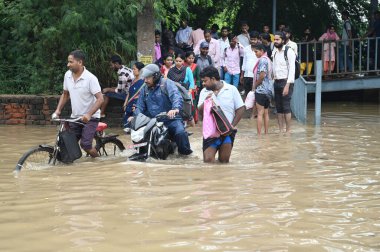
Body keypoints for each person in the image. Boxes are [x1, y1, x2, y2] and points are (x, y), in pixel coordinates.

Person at [132, 64, 193, 155]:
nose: (145, 81)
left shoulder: (166, 83)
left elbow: (176, 97)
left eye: (148, 78)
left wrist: (175, 109)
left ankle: (186, 155)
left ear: (156, 76)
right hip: (152, 121)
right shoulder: (145, 89)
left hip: (171, 119)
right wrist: (135, 117)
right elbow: (140, 106)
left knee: (180, 133)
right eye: (145, 78)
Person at [53, 50, 104, 157]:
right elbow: (65, 94)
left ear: (80, 62)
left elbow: (100, 99)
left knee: (85, 145)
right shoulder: (67, 75)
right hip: (75, 117)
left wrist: (89, 114)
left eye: (71, 62)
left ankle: (99, 162)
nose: (68, 65)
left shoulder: (90, 78)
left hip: (91, 118)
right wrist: (57, 111)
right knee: (67, 143)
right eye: (68, 62)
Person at [198, 66, 245, 163]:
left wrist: (232, 125)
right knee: (208, 161)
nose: (203, 83)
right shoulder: (204, 92)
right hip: (210, 133)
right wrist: (206, 100)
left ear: (213, 79)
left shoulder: (231, 89)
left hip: (227, 132)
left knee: (224, 162)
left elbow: (241, 108)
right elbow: (199, 110)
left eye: (205, 81)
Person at [272, 31, 296, 133]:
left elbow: (292, 69)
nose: (275, 41)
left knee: (286, 106)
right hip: (276, 81)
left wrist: (287, 85)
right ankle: (281, 130)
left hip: (286, 82)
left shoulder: (289, 51)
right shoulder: (275, 51)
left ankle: (288, 131)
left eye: (277, 39)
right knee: (279, 107)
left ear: (282, 40)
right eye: (274, 40)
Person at [252, 44, 273, 135]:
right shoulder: (268, 60)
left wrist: (255, 86)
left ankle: (259, 135)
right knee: (266, 113)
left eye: (256, 52)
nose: (255, 54)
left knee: (260, 113)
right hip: (268, 90)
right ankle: (266, 133)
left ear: (261, 50)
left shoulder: (262, 60)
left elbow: (261, 76)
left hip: (261, 90)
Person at [122, 62, 145, 132]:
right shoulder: (133, 80)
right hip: (130, 102)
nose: (133, 71)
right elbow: (129, 93)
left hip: (136, 103)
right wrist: (125, 103)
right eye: (133, 69)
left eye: (134, 69)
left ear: (140, 70)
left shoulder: (143, 82)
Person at [241, 31, 259, 97]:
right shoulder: (246, 49)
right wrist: (242, 75)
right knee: (247, 95)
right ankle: (248, 107)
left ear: (258, 40)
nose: (253, 41)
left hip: (256, 76)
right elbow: (244, 62)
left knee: (254, 95)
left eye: (255, 39)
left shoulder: (260, 49)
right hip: (246, 75)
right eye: (251, 39)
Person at [185, 51, 201, 123]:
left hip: (193, 87)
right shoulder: (183, 65)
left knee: (193, 103)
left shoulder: (196, 66)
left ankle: (194, 118)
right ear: (186, 58)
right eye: (189, 58)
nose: (191, 60)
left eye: (192, 58)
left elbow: (198, 78)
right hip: (185, 86)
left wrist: (196, 85)